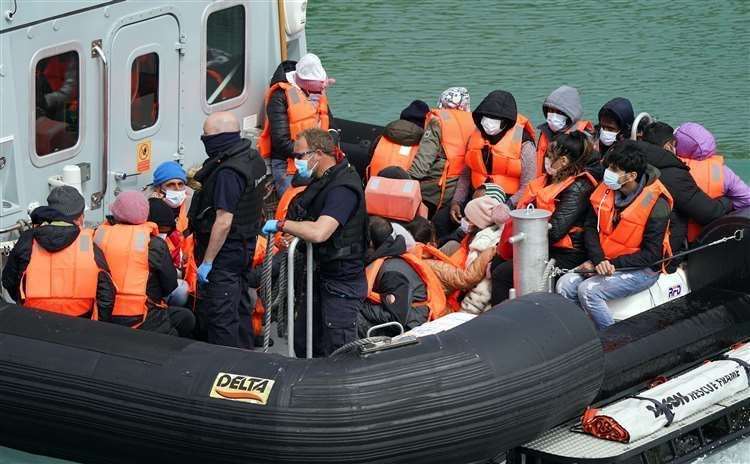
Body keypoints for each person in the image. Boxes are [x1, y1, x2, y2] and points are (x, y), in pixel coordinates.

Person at [261, 128, 367, 357]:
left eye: (300, 156)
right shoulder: (322, 181)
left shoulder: (343, 188)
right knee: (304, 340)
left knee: (336, 348)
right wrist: (298, 232)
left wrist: (281, 226)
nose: (295, 162)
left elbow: (320, 232)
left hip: (341, 283)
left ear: (318, 154)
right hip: (318, 274)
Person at [556, 147, 672, 330]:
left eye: (614, 169)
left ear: (631, 176)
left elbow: (652, 255)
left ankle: (614, 341)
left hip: (640, 269)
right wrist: (598, 260)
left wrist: (610, 263)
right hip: (604, 261)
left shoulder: (658, 204)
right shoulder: (605, 189)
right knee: (564, 284)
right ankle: (583, 334)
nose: (607, 173)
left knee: (589, 291)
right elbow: (590, 227)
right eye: (608, 167)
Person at [188, 112, 266, 348]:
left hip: (226, 251)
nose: (204, 139)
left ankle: (226, 366)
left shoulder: (228, 172)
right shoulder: (252, 158)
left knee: (221, 313)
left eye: (207, 135)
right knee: (240, 303)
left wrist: (208, 262)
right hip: (245, 244)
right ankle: (245, 353)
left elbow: (223, 221)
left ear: (220, 137)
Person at [491, 131, 596, 304]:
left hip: (566, 253)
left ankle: (507, 319)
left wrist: (526, 240)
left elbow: (555, 231)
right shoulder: (548, 180)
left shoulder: (578, 188)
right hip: (539, 243)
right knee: (497, 263)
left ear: (563, 161)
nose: (545, 159)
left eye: (549, 156)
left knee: (503, 274)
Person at [2, 186, 115, 319]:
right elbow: (106, 291)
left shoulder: (28, 240)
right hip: (81, 322)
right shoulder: (87, 243)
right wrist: (97, 324)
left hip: (35, 320)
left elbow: (9, 281)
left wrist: (24, 303)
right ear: (79, 218)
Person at [95, 192, 195, 336]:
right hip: (141, 317)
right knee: (186, 319)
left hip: (101, 312)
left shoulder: (96, 235)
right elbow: (169, 286)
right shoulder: (155, 244)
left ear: (115, 214)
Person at [449, 90, 536, 241]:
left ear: (506, 121)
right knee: (441, 221)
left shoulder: (524, 144)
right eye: (486, 117)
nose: (488, 122)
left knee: (469, 235)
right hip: (476, 197)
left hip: (507, 202)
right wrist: (456, 201)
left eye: (494, 119)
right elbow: (466, 174)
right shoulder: (476, 137)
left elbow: (528, 185)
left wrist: (506, 205)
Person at [622, 137, 732, 252]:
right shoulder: (723, 172)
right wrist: (728, 202)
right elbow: (712, 212)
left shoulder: (643, 172)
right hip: (669, 250)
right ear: (668, 146)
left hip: (633, 247)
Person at [258, 53, 334, 195]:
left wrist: (331, 142)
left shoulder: (318, 92)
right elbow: (281, 141)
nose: (318, 93)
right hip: (288, 162)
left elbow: (329, 122)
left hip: (318, 157)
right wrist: (309, 156)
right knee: (293, 204)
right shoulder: (282, 96)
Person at [359, 217, 447, 337]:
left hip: (409, 325)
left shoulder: (391, 271)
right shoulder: (391, 256)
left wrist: (359, 306)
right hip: (402, 313)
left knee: (348, 318)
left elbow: (395, 317)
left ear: (370, 243)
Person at [408, 87, 474, 214]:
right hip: (463, 188)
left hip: (437, 190)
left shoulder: (437, 122)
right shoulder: (474, 123)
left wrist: (405, 182)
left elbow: (422, 164)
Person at [673, 122, 750, 212]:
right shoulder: (720, 171)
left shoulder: (673, 169)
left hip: (681, 224)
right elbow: (746, 199)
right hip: (713, 222)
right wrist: (726, 204)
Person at [368, 100, 429, 179]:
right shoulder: (427, 146)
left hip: (373, 188)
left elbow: (370, 159)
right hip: (408, 190)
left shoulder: (380, 139)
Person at [535, 85, 594, 167]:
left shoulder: (583, 138)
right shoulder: (545, 133)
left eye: (559, 112)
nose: (553, 115)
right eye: (551, 110)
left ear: (570, 114)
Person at [148, 198, 189, 307]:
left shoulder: (174, 237)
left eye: (165, 232)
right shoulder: (156, 244)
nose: (162, 235)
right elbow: (170, 284)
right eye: (160, 231)